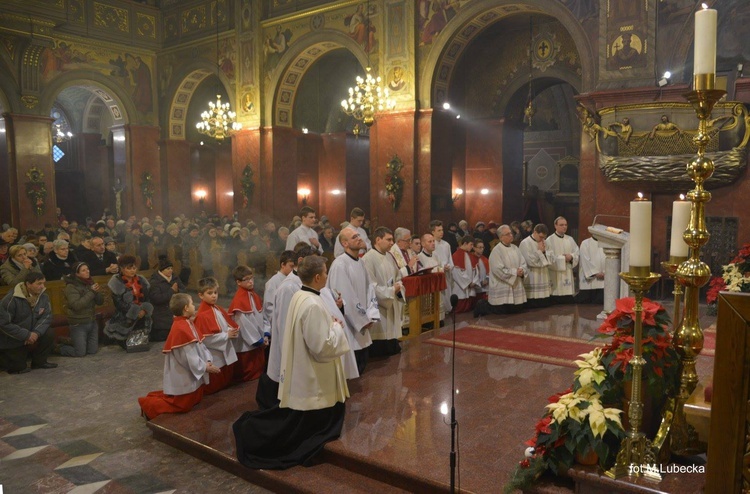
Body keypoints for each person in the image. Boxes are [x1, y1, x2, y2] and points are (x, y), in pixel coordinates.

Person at [232, 255, 350, 470]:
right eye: (325, 272)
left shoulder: (301, 295)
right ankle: (255, 433)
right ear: (317, 277)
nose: (327, 276)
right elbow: (321, 347)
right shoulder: (312, 303)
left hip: (303, 366)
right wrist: (337, 329)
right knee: (300, 424)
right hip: (313, 371)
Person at [138, 293, 220, 420]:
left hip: (193, 371)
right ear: (186, 308)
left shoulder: (187, 323)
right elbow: (187, 357)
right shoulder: (181, 328)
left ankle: (155, 396)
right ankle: (147, 404)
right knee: (182, 405)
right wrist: (205, 367)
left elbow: (200, 345)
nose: (194, 306)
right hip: (183, 372)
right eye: (192, 303)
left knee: (195, 398)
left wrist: (207, 360)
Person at [257, 245, 316, 410]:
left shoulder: (302, 282)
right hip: (290, 347)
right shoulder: (288, 287)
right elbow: (284, 324)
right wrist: (289, 353)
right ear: (302, 261)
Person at [327, 227, 377, 375]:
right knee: (351, 370)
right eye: (354, 237)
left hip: (363, 321)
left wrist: (371, 314)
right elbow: (346, 297)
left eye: (359, 235)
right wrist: (363, 320)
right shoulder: (340, 265)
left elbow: (369, 289)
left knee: (362, 366)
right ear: (345, 243)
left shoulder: (360, 262)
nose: (359, 238)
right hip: (349, 325)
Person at [0, 271, 57, 374]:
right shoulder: (10, 299)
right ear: (28, 284)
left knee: (49, 333)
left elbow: (47, 317)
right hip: (14, 337)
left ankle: (39, 362)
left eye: (43, 283)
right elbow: (4, 324)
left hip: (32, 332)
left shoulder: (44, 296)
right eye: (39, 283)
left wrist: (35, 333)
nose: (42, 286)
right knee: (19, 368)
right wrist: (26, 335)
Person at [361, 227, 404, 357]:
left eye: (393, 240)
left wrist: (398, 286)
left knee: (392, 341)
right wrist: (391, 291)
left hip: (390, 300)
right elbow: (371, 287)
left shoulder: (389, 256)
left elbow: (398, 276)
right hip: (379, 306)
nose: (392, 243)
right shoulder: (368, 258)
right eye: (389, 239)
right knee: (381, 345)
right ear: (378, 240)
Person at [193, 277, 239, 395]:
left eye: (215, 292)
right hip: (214, 353)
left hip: (222, 349)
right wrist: (226, 335)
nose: (214, 296)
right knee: (215, 386)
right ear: (201, 295)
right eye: (209, 293)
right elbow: (205, 340)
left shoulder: (217, 308)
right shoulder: (202, 315)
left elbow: (224, 324)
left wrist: (230, 330)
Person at [475, 225, 527, 317]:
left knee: (517, 309)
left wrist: (522, 270)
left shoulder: (515, 248)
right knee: (501, 311)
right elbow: (498, 270)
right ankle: (482, 305)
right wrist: (515, 272)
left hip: (515, 284)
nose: (511, 235)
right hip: (502, 285)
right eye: (508, 234)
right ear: (501, 237)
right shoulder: (496, 251)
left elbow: (523, 263)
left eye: (511, 233)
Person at [103, 254, 154, 347]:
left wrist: (144, 310)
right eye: (129, 268)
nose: (132, 271)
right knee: (126, 343)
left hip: (142, 313)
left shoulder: (141, 280)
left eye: (134, 268)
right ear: (122, 269)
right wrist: (135, 311)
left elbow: (147, 298)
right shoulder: (116, 282)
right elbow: (119, 303)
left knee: (141, 342)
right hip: (125, 315)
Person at [228, 265, 266, 382]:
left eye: (252, 278)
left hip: (258, 336)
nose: (251, 281)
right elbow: (244, 325)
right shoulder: (239, 300)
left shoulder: (253, 294)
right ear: (238, 282)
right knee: (249, 370)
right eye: (247, 279)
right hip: (248, 341)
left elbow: (261, 315)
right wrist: (257, 340)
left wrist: (265, 333)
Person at [58, 262, 104, 357]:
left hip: (91, 321)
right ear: (77, 274)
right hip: (78, 323)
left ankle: (73, 341)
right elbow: (77, 305)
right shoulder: (71, 286)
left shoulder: (90, 282)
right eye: (83, 270)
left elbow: (100, 302)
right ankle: (58, 347)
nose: (87, 272)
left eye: (87, 269)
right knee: (80, 353)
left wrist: (97, 292)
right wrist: (91, 292)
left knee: (92, 351)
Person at [148, 257, 186, 342]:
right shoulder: (155, 281)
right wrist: (172, 291)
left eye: (171, 268)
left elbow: (183, 289)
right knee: (164, 336)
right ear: (162, 270)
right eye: (168, 269)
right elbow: (157, 298)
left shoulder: (174, 278)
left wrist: (178, 291)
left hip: (174, 311)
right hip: (161, 314)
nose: (170, 271)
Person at [545, 216, 579, 304]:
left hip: (567, 270)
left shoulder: (570, 239)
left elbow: (576, 253)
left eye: (566, 225)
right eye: (561, 225)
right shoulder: (549, 240)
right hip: (555, 274)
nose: (564, 227)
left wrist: (571, 257)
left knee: (568, 300)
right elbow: (549, 258)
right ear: (555, 226)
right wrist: (564, 258)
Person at [262, 250, 295, 339]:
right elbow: (269, 307)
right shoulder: (273, 282)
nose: (293, 269)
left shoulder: (293, 280)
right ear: (282, 265)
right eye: (291, 266)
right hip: (279, 323)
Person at [519, 224, 553, 308]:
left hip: (544, 275)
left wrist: (544, 252)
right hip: (532, 274)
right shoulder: (525, 243)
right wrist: (540, 252)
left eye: (544, 237)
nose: (542, 239)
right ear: (535, 232)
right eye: (541, 237)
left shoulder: (545, 242)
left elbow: (551, 258)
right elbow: (530, 261)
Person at [451, 235, 477, 313]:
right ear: (465, 243)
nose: (472, 247)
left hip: (470, 285)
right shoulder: (456, 255)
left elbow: (475, 270)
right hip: (461, 287)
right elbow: (456, 273)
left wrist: (474, 281)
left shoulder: (470, 255)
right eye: (471, 245)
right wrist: (468, 283)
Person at [575, 236, 605, 304]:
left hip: (602, 283)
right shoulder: (585, 243)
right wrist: (595, 273)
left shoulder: (606, 243)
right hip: (588, 284)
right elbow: (585, 260)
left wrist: (606, 273)